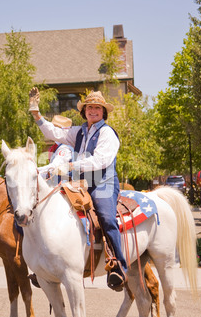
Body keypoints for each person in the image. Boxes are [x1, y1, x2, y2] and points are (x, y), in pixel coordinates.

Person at [29, 87, 127, 291]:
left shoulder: (107, 133)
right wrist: (36, 113)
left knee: (107, 218)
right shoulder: (80, 132)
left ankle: (119, 265)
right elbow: (54, 132)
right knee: (54, 209)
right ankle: (48, 265)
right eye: (89, 107)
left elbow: (101, 161)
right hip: (82, 184)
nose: (93, 111)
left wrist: (72, 166)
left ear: (103, 112)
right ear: (84, 111)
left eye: (97, 108)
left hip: (103, 184)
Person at [38, 115, 73, 182]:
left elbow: (54, 167)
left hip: (63, 185)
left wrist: (35, 171)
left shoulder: (64, 148)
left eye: (55, 129)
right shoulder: (58, 146)